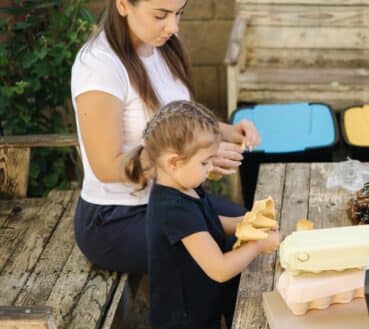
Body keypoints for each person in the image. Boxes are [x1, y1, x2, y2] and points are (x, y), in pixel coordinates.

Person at [71, 0, 258, 274]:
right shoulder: (99, 66)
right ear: (123, 4)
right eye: (161, 15)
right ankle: (209, 317)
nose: (173, 26)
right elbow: (106, 167)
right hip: (116, 218)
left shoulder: (163, 45)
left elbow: (179, 125)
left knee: (252, 225)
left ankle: (227, 316)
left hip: (172, 198)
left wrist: (228, 131)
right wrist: (191, 159)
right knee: (233, 243)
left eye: (179, 13)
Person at [122, 100, 279, 328]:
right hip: (185, 321)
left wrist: (247, 222)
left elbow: (207, 222)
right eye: (205, 162)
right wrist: (257, 246)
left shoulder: (185, 185)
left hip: (203, 304)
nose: (210, 168)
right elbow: (220, 269)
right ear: (174, 162)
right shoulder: (172, 209)